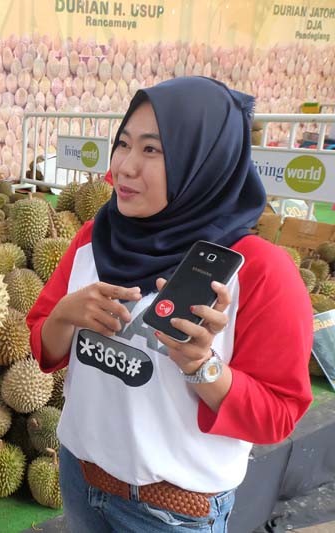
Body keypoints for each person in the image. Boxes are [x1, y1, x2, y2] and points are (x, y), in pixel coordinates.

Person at [27, 76, 313, 532]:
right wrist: (64, 315)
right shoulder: (95, 238)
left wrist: (203, 366)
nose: (124, 166)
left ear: (202, 161)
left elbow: (279, 414)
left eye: (152, 150)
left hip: (171, 513)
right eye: (123, 144)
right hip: (81, 480)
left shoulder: (259, 271)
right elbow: (44, 342)